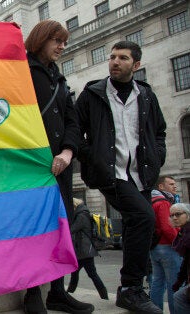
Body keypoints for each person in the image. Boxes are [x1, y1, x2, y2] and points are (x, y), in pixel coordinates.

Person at [75, 40, 167, 313]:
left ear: (136, 65)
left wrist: (157, 156)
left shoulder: (147, 96)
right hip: (111, 174)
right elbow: (74, 130)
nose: (115, 61)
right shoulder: (93, 93)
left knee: (132, 224)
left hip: (142, 174)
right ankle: (131, 288)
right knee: (143, 216)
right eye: (112, 57)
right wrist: (93, 157)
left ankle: (129, 289)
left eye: (123, 58)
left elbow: (159, 132)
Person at [22, 20, 94, 314]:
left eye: (64, 41)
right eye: (57, 40)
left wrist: (67, 151)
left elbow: (72, 120)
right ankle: (32, 292)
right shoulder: (20, 70)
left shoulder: (60, 79)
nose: (62, 46)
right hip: (31, 166)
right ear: (41, 40)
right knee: (32, 228)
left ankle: (57, 292)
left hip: (60, 167)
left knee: (58, 228)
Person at [150, 175, 181, 313]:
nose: (175, 186)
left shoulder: (150, 200)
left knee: (157, 282)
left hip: (155, 247)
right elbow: (167, 227)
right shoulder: (163, 202)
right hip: (167, 247)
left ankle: (156, 310)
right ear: (161, 186)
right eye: (171, 184)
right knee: (174, 283)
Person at [67, 198, 108, 300]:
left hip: (85, 251)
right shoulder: (83, 213)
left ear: (74, 206)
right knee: (75, 272)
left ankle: (104, 295)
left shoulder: (81, 215)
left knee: (92, 274)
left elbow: (72, 229)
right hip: (83, 251)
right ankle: (69, 292)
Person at [171, 203, 190, 313]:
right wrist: (179, 281)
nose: (174, 218)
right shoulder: (183, 231)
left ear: (187, 214)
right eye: (172, 215)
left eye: (178, 214)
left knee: (179, 297)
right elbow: (186, 260)